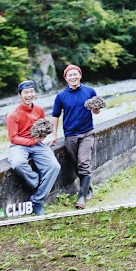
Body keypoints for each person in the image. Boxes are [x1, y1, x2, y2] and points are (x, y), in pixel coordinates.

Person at [50, 64, 102, 209]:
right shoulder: (61, 96)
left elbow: (96, 112)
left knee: (84, 163)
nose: (73, 77)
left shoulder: (89, 91)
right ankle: (88, 188)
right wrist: (54, 134)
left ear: (80, 75)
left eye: (75, 74)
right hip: (70, 135)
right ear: (66, 78)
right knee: (76, 164)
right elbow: (55, 115)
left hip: (87, 132)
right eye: (70, 75)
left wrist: (95, 108)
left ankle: (81, 197)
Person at [5, 79, 59, 216]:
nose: (29, 95)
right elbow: (13, 138)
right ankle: (35, 181)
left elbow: (43, 127)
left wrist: (43, 137)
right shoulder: (12, 115)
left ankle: (37, 201)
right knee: (17, 163)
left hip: (37, 144)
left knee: (54, 166)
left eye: (31, 92)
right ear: (19, 95)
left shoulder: (39, 109)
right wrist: (31, 142)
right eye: (25, 92)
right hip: (19, 145)